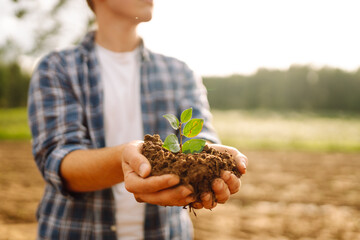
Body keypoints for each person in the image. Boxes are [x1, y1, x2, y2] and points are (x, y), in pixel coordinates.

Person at [27, 0, 248, 239]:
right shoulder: (57, 69)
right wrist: (127, 158)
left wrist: (211, 163)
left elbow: (200, 140)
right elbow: (60, 164)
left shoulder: (179, 73)